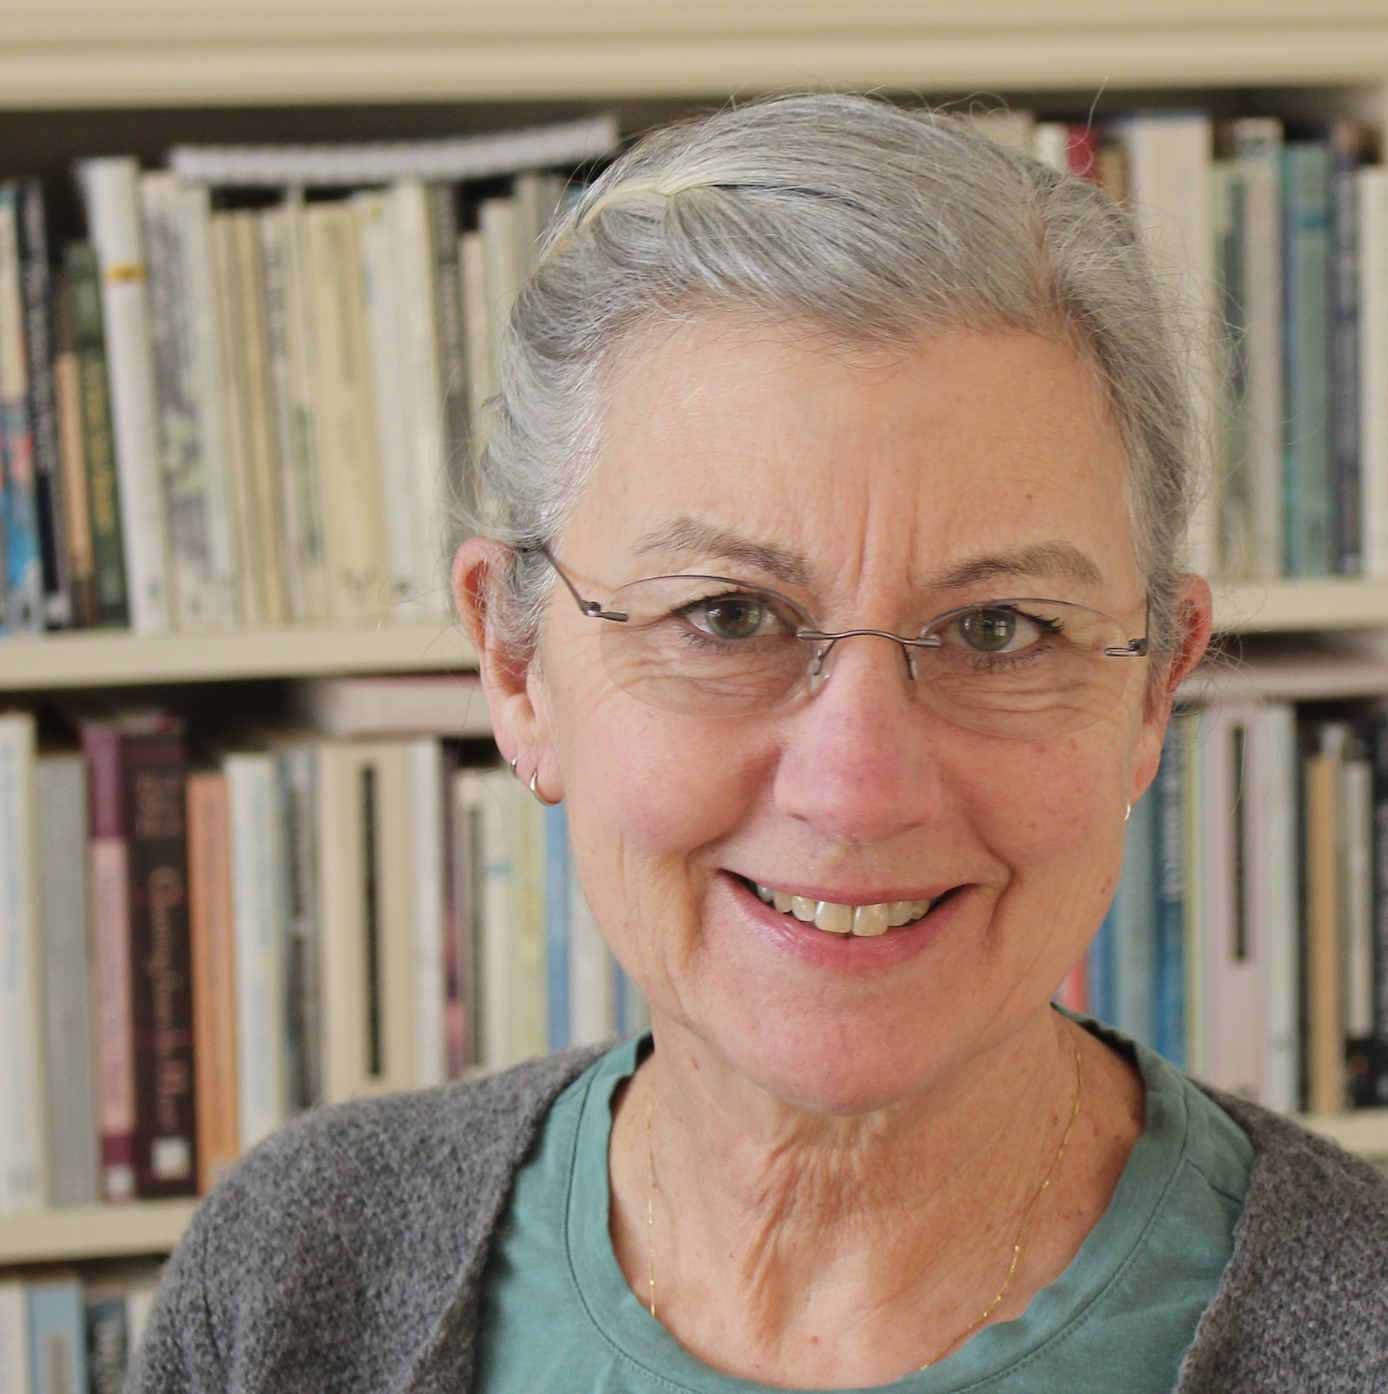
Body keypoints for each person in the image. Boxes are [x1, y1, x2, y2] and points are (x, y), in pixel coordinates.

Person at [133, 95, 1388, 1393]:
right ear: (515, 665)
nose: (856, 788)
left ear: (1153, 690)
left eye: (1000, 628)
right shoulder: (297, 1277)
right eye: (726, 616)